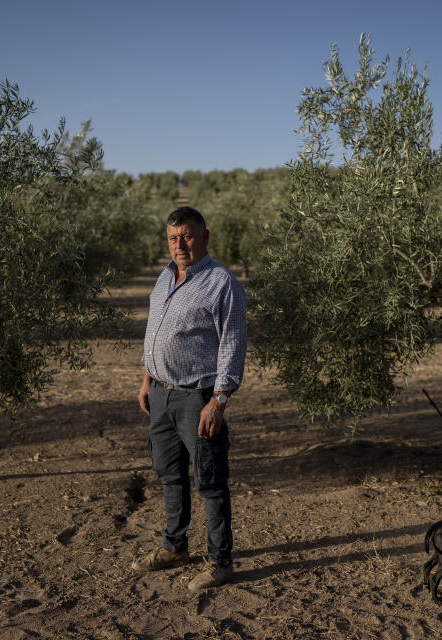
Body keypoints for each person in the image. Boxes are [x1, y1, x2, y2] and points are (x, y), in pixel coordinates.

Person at [133, 206, 247, 591]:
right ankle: (174, 547)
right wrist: (147, 379)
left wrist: (218, 401)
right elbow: (155, 331)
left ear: (205, 237)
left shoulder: (221, 284)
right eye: (172, 238)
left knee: (211, 482)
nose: (179, 245)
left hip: (198, 399)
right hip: (161, 396)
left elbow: (232, 345)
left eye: (187, 236)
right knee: (170, 477)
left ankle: (220, 561)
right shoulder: (164, 278)